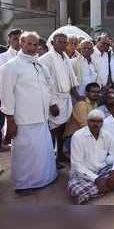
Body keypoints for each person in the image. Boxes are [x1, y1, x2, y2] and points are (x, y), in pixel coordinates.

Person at [0, 31, 57, 192]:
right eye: (29, 44)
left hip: (41, 116)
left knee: (41, 152)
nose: (33, 47)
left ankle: (43, 179)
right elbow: (6, 95)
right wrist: (10, 120)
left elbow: (48, 85)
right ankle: (23, 185)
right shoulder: (10, 66)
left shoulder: (39, 65)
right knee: (25, 154)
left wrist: (52, 103)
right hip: (22, 119)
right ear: (21, 43)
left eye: (36, 44)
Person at [67, 109, 114, 204]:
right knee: (76, 189)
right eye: (93, 121)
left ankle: (104, 187)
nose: (96, 124)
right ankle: (113, 185)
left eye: (99, 121)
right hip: (84, 174)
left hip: (102, 170)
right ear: (88, 122)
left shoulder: (105, 134)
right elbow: (76, 165)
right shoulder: (78, 136)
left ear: (102, 123)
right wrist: (96, 179)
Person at [39, 32, 81, 166]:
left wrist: (76, 95)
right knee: (51, 129)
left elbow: (71, 77)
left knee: (62, 128)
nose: (63, 44)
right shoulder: (45, 59)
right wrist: (52, 104)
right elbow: (45, 84)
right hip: (54, 100)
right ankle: (50, 158)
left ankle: (60, 154)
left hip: (65, 98)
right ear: (52, 43)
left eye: (65, 42)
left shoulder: (65, 57)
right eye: (60, 42)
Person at [0, 28, 22, 152]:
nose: (18, 42)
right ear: (9, 40)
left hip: (21, 98)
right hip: (4, 96)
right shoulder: (3, 57)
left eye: (20, 39)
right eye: (15, 39)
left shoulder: (28, 57)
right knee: (1, 122)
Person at [64, 82, 101, 152]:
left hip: (86, 135)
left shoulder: (95, 104)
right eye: (93, 92)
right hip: (73, 138)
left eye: (98, 92)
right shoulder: (81, 105)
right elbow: (84, 126)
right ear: (86, 93)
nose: (96, 94)